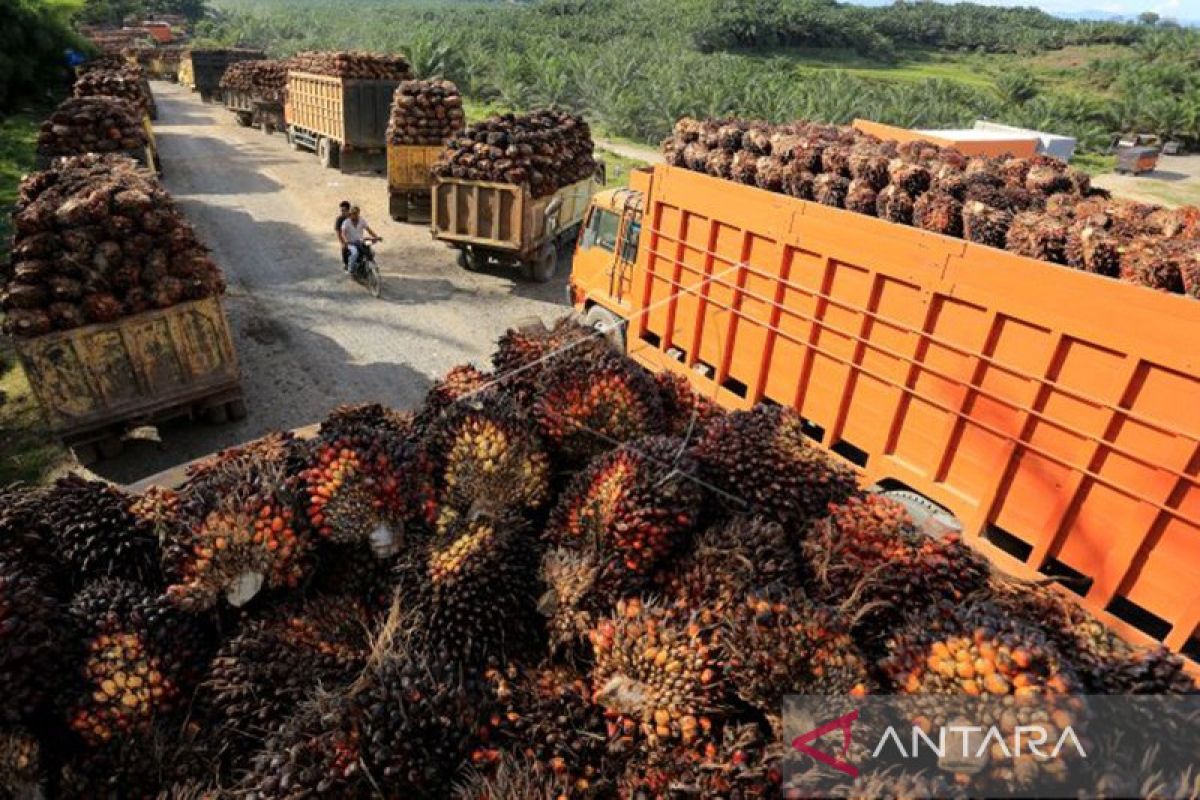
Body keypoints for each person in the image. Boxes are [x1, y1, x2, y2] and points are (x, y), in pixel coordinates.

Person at [340, 206, 380, 274]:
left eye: (357, 213)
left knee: (371, 252)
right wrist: (346, 241)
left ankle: (365, 267)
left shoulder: (362, 220)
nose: (356, 215)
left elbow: (369, 230)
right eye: (354, 213)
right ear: (351, 214)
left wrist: (376, 237)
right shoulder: (346, 222)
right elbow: (343, 233)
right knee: (355, 253)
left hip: (360, 242)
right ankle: (350, 269)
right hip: (351, 243)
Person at [335, 200, 351, 269]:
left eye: (344, 210)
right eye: (341, 210)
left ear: (348, 210)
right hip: (345, 239)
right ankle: (346, 264)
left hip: (354, 237)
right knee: (344, 248)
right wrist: (343, 243)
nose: (342, 212)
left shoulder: (352, 216)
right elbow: (338, 233)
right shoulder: (339, 219)